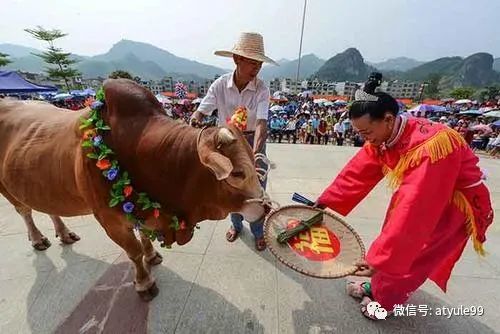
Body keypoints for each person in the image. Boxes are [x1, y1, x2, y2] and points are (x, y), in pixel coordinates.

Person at [315, 75, 494, 320]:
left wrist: (378, 260)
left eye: (366, 132)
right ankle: (378, 286)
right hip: (424, 194)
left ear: (388, 119)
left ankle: (384, 302)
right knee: (393, 237)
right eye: (359, 133)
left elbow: (414, 213)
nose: (364, 139)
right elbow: (358, 171)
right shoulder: (382, 135)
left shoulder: (430, 148)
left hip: (452, 205)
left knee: (412, 253)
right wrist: (325, 202)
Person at [190, 32, 278, 251]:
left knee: (255, 189)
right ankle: (236, 224)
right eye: (251, 62)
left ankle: (258, 231)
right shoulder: (220, 85)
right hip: (226, 142)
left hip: (251, 141)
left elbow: (261, 123)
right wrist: (194, 120)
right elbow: (202, 111)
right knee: (230, 186)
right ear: (236, 59)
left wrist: (255, 155)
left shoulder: (262, 89)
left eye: (259, 63)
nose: (256, 68)